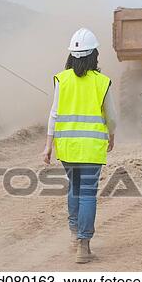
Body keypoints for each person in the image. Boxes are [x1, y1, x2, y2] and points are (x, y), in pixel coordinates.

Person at [42, 28, 117, 264]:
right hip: (92, 148)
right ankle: (83, 246)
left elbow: (54, 114)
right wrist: (111, 135)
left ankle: (75, 234)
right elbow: (111, 117)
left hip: (67, 147)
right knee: (87, 194)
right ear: (94, 54)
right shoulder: (101, 82)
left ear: (71, 56)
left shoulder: (61, 80)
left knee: (74, 187)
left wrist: (48, 146)